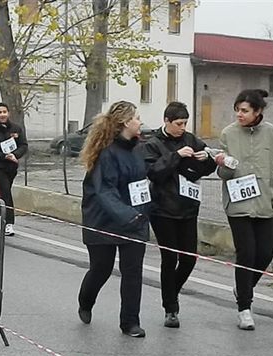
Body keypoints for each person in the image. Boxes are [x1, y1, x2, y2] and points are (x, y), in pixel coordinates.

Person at [216, 89, 273, 330]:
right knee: (246, 254)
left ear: (258, 111)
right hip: (238, 206)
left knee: (264, 254)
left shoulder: (271, 133)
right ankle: (244, 307)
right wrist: (224, 165)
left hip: (265, 204)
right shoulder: (228, 134)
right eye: (237, 109)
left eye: (244, 110)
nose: (239, 114)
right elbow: (223, 174)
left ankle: (243, 287)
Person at [78, 101, 150, 338]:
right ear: (125, 123)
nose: (140, 121)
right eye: (137, 117)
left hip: (134, 221)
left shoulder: (139, 149)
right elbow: (105, 191)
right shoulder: (106, 154)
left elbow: (144, 181)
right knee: (102, 269)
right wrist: (127, 215)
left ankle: (130, 322)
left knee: (133, 272)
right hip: (103, 220)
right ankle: (86, 301)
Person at [142, 102, 216, 328]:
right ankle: (171, 308)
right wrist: (175, 156)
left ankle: (170, 291)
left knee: (189, 258)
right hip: (162, 210)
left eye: (185, 123)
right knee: (169, 258)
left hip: (188, 208)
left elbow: (205, 168)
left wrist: (206, 159)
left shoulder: (191, 139)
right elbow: (154, 173)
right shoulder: (153, 143)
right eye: (178, 124)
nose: (182, 128)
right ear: (166, 121)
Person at [0, 102, 28, 237]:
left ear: (8, 113)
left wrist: (15, 155)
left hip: (11, 167)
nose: (2, 115)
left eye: (4, 112)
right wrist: (4, 156)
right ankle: (8, 223)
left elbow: (23, 145)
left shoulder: (16, 128)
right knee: (6, 194)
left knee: (3, 194)